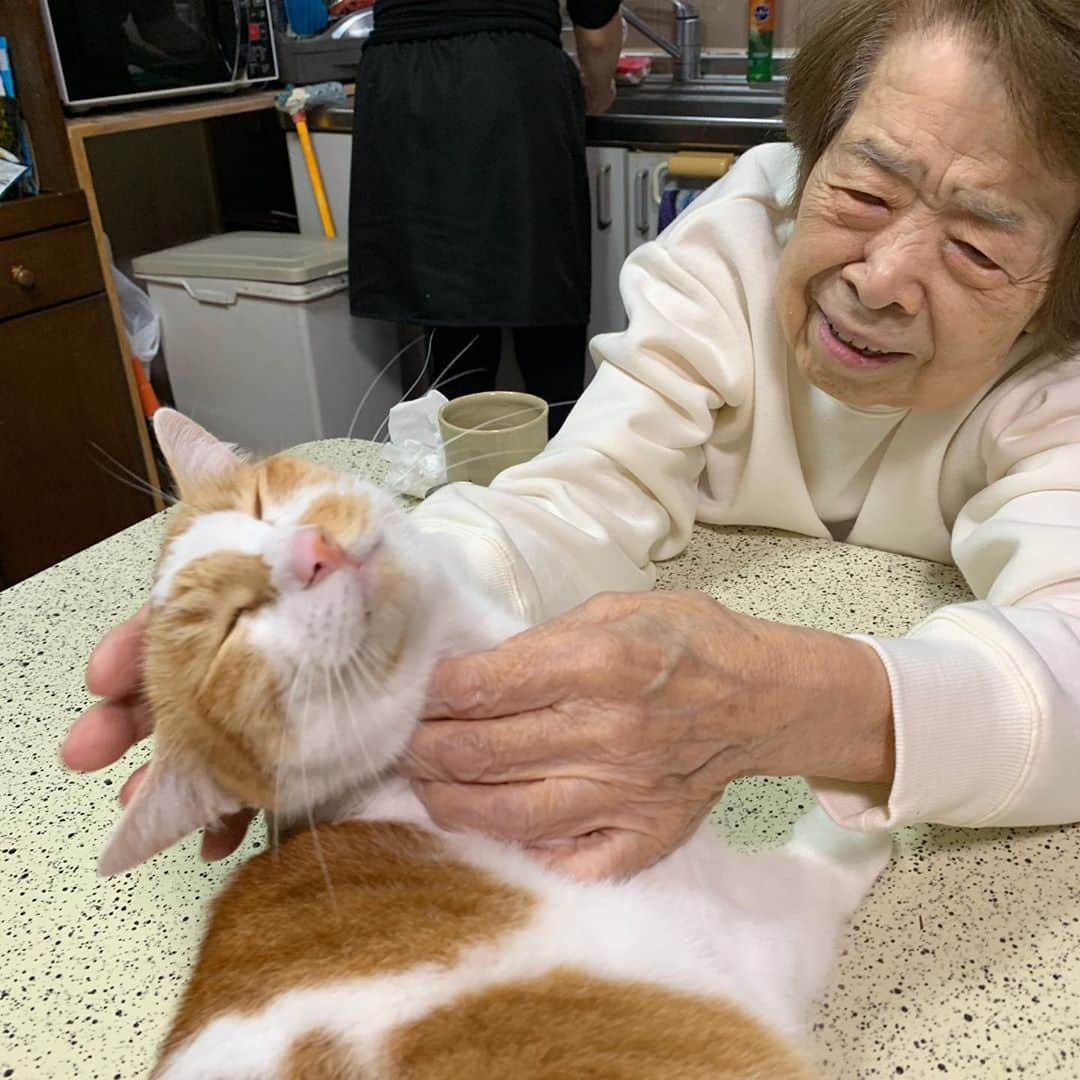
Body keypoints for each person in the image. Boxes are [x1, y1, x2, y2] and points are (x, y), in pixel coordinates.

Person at [64, 0, 1080, 881]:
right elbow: (581, 495)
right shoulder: (731, 251)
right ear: (805, 165)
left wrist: (791, 699)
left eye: (980, 247)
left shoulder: (1056, 374)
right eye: (861, 194)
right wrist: (370, 611)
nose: (881, 278)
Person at [347, 0, 623, 433]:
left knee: (451, 316)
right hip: (510, 78)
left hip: (408, 83)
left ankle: (468, 490)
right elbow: (598, 33)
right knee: (544, 302)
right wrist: (600, 86)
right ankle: (558, 484)